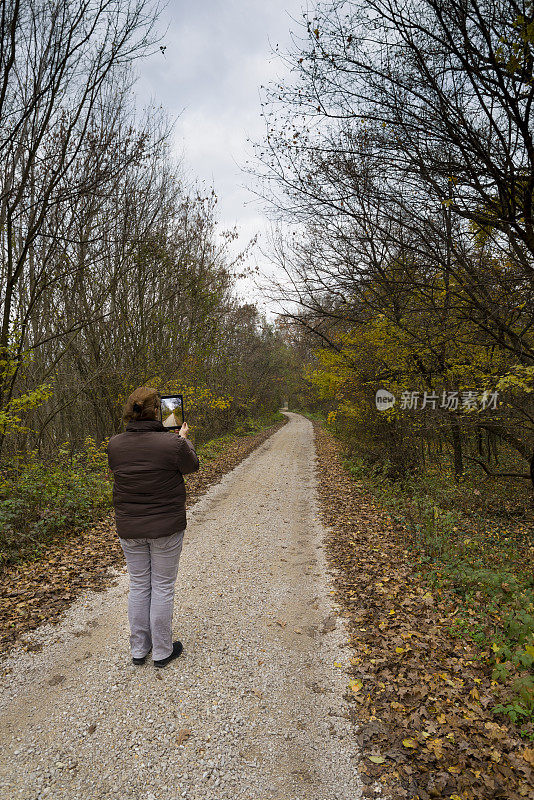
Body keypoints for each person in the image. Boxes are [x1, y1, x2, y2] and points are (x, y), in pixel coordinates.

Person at [107, 386, 200, 668]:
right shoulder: (173, 444)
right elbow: (192, 466)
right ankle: (161, 650)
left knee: (138, 585)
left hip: (130, 527)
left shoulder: (114, 444)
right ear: (157, 411)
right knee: (161, 586)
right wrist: (183, 439)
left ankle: (139, 649)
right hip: (166, 528)